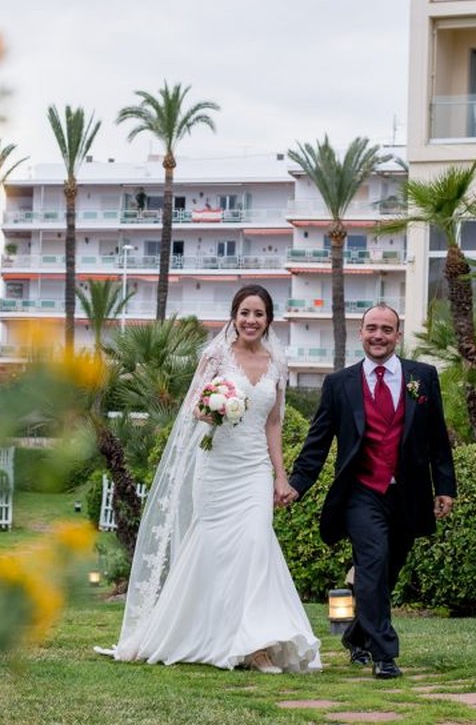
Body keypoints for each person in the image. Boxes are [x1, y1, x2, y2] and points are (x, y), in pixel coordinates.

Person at [99, 285, 321, 673]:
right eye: (245, 313)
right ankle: (211, 634)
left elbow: (273, 424)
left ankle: (257, 646)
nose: (251, 320)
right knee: (215, 551)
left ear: (269, 320)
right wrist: (213, 409)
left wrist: (281, 477)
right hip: (216, 467)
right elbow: (193, 409)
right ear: (234, 317)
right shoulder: (215, 355)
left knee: (255, 544)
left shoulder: (277, 364)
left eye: (259, 314)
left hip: (253, 468)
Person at [285, 304, 456, 680]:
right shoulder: (339, 384)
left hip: (407, 493)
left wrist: (444, 486)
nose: (378, 335)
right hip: (361, 493)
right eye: (371, 328)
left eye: (387, 329)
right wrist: (295, 484)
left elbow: (436, 439)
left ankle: (358, 636)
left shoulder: (422, 377)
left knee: (388, 573)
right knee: (372, 564)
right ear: (361, 333)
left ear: (398, 335)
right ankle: (385, 655)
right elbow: (318, 442)